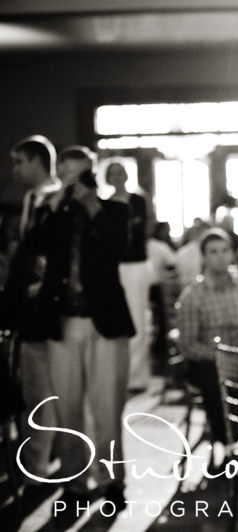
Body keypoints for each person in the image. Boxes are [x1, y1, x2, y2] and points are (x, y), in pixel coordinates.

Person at [24, 146, 134, 510]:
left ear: (90, 174)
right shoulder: (54, 211)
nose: (74, 183)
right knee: (68, 406)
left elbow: (118, 246)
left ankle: (111, 478)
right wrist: (54, 206)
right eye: (68, 175)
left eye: (80, 176)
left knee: (107, 407)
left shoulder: (113, 207)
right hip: (63, 321)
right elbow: (33, 247)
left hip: (105, 322)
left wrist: (92, 204)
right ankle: (75, 480)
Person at [176, 229, 238, 467]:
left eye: (225, 251)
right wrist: (222, 357)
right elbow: (188, 345)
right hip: (209, 360)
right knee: (217, 381)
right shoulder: (192, 297)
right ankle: (230, 443)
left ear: (232, 254)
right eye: (213, 252)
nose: (220, 257)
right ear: (203, 257)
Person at [4, 135, 61, 487]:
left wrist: (40, 287)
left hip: (45, 304)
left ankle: (39, 461)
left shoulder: (54, 197)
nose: (15, 170)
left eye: (19, 162)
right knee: (33, 385)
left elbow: (50, 252)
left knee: (44, 387)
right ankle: (38, 457)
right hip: (29, 302)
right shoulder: (30, 198)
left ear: (37, 161)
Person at [105, 161, 154, 393]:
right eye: (112, 173)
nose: (116, 177)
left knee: (137, 319)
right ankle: (118, 372)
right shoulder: (104, 204)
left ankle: (137, 376)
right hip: (114, 265)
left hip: (135, 264)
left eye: (120, 172)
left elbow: (143, 230)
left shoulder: (138, 201)